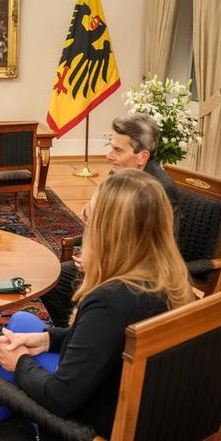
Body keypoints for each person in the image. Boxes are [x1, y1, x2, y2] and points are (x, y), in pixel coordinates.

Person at [0, 169, 194, 441]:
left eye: (90, 218)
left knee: (2, 364)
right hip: (151, 418)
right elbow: (110, 340)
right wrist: (46, 340)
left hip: (96, 440)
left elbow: (60, 398)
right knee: (22, 324)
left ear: (110, 230)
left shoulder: (112, 299)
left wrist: (17, 362)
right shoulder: (171, 279)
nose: (86, 227)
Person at [40, 113, 180, 327]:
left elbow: (155, 253)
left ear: (142, 156)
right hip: (106, 262)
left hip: (135, 281)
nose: (108, 155)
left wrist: (101, 262)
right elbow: (98, 215)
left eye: (118, 150)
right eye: (111, 146)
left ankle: (86, 336)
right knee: (50, 279)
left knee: (68, 285)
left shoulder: (158, 190)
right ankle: (72, 334)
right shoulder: (121, 173)